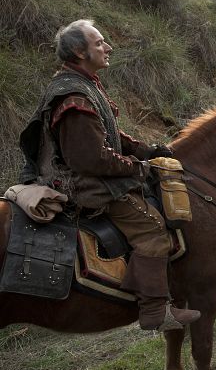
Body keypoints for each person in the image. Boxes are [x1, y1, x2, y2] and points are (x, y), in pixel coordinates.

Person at [18, 19, 201, 331]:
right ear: (78, 51)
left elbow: (110, 135)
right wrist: (137, 167)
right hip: (80, 184)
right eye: (99, 43)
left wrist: (147, 149)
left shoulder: (82, 84)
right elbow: (91, 158)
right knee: (152, 230)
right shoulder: (74, 96)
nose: (108, 48)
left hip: (86, 173)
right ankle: (155, 310)